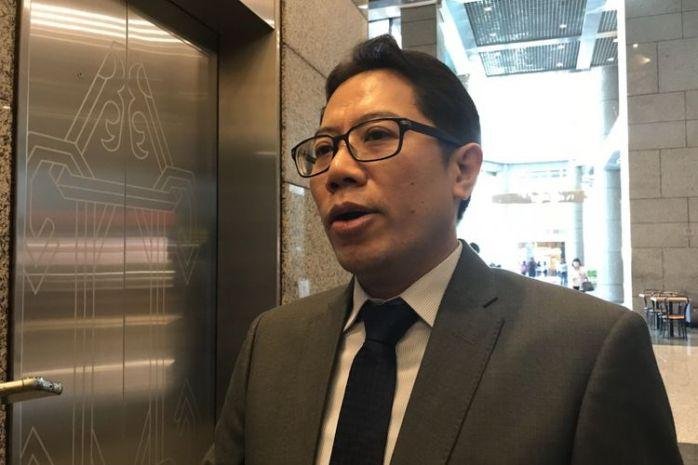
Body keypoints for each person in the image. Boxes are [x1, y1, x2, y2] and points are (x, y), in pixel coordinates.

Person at [204, 35, 682, 465]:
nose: (337, 170)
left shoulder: (586, 350)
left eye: (377, 135)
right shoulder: (272, 341)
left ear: (463, 170)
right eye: (325, 148)